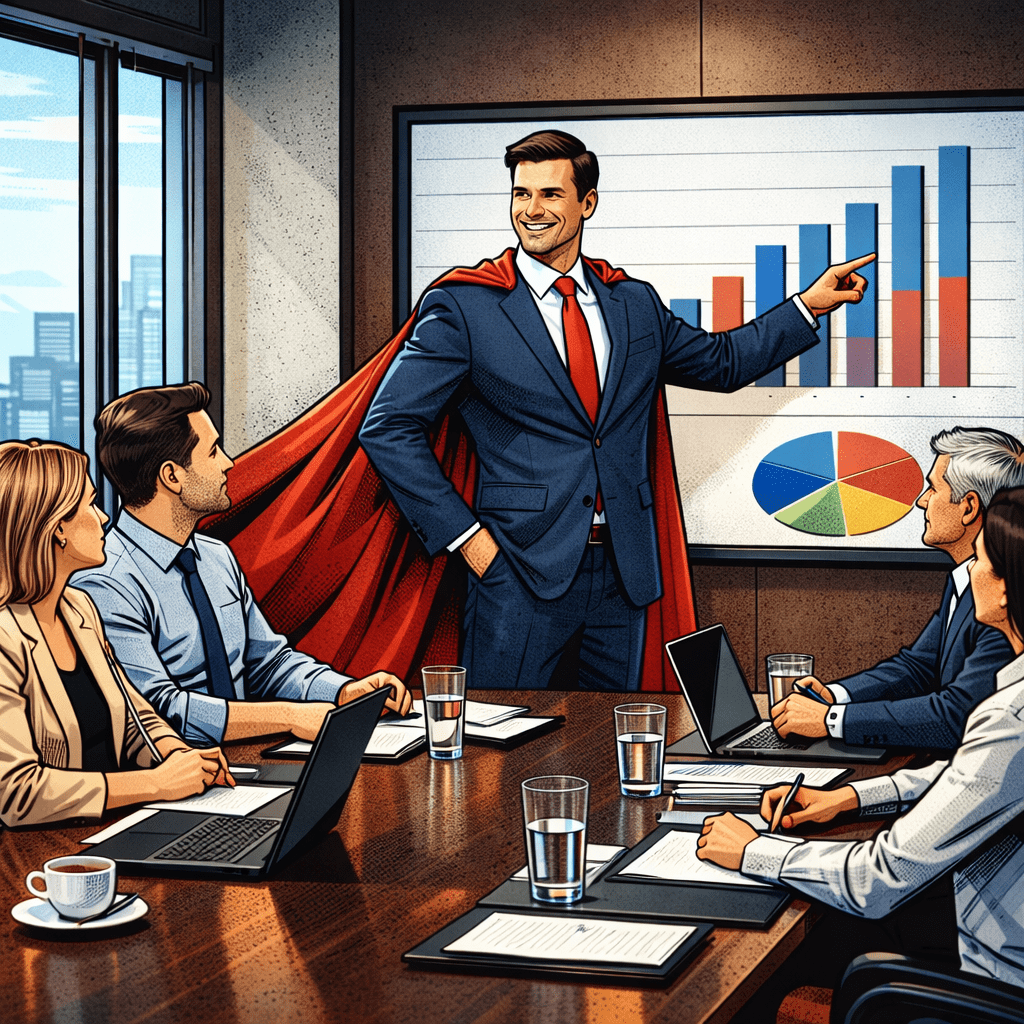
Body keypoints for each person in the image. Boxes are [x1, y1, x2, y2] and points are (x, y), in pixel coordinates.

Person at [358, 128, 874, 690]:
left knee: (614, 737)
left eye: (550, 194)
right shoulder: (465, 306)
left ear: (587, 203)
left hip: (623, 574)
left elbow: (721, 364)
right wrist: (470, 543)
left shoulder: (632, 302)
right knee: (501, 738)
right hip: (517, 571)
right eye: (521, 194)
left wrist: (807, 306)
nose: (531, 210)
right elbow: (388, 426)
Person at [697, 485, 1024, 993]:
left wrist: (754, 850)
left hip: (993, 977)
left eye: (980, 559)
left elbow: (879, 877)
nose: (970, 569)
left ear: (1005, 591)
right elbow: (975, 775)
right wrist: (847, 798)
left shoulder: (1011, 718)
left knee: (762, 964)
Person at [76, 383, 411, 749]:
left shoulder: (216, 557)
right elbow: (157, 710)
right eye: (213, 451)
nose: (228, 463)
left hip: (248, 763)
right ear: (172, 477)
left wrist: (344, 691)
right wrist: (289, 717)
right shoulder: (105, 582)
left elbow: (268, 663)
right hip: (178, 772)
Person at [0, 440, 234, 828]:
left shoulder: (78, 608)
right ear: (58, 528)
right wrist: (156, 783)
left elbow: (135, 716)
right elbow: (16, 792)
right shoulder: (5, 638)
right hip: (44, 850)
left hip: (113, 829)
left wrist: (177, 755)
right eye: (90, 505)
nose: (104, 517)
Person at [772, 426, 1024, 752]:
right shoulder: (965, 578)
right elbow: (918, 667)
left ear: (968, 507)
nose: (922, 501)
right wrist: (834, 696)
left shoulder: (1000, 601)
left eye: (933, 489)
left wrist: (831, 719)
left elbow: (956, 716)